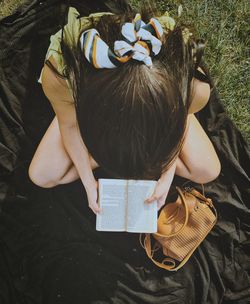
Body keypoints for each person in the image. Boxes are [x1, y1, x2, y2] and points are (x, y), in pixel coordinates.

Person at [28, 3, 221, 214]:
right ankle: (66, 108)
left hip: (169, 98)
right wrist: (88, 180)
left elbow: (180, 128)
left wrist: (167, 173)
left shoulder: (194, 87)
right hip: (78, 90)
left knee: (208, 170)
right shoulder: (62, 77)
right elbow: (70, 125)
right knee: (42, 174)